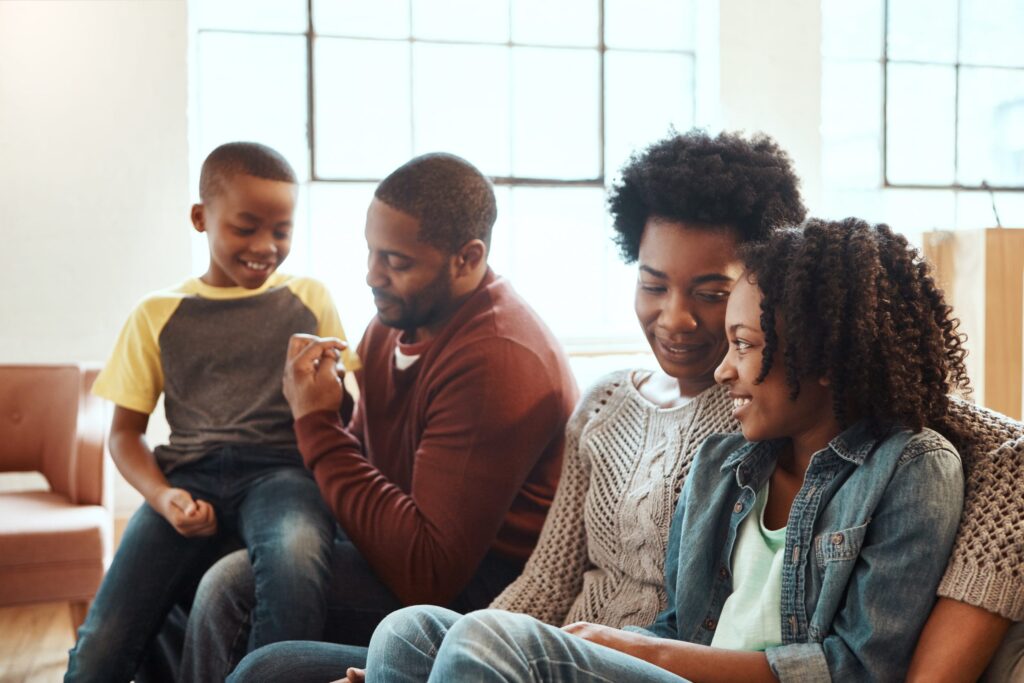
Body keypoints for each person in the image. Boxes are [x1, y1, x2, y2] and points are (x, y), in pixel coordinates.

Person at [232, 129, 808, 682]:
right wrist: (443, 655)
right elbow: (546, 584)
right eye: (654, 286)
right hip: (534, 651)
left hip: (638, 664)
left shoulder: (755, 419)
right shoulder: (606, 404)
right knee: (302, 661)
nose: (675, 318)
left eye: (711, 294)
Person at [361, 217, 969, 681]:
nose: (725, 370)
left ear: (822, 356)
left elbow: (858, 668)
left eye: (744, 345)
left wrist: (644, 649)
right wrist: (621, 643)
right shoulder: (725, 463)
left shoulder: (912, 468)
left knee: (483, 642)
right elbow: (682, 625)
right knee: (410, 633)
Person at [179, 152, 579, 682]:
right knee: (198, 559)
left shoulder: (498, 358)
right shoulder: (395, 321)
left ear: (468, 257)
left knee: (235, 588)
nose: (372, 275)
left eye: (396, 261)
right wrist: (339, 410)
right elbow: (374, 463)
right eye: (371, 251)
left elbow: (427, 574)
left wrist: (318, 425)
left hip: (474, 601)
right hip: (394, 551)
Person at [65, 142, 358, 682]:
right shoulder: (157, 313)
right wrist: (162, 496)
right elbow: (124, 436)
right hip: (188, 476)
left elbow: (346, 411)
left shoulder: (310, 298)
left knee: (294, 562)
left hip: (282, 472)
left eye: (282, 230)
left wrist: (323, 385)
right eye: (245, 228)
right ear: (201, 218)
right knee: (100, 645)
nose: (265, 246)